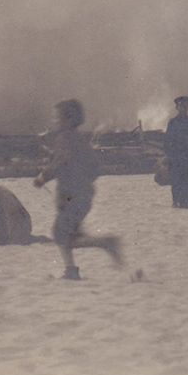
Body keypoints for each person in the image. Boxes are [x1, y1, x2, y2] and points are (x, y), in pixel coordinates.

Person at [34, 99, 122, 280]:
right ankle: (73, 268)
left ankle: (104, 244)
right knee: (69, 234)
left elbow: (60, 162)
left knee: (60, 232)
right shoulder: (80, 139)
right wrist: (84, 182)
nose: (54, 121)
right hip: (83, 195)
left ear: (68, 119)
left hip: (70, 196)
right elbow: (95, 167)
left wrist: (43, 177)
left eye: (57, 117)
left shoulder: (64, 139)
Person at [164, 96, 188, 208]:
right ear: (177, 107)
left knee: (187, 180)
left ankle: (185, 202)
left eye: (185, 106)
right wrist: (168, 156)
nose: (183, 109)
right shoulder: (172, 122)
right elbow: (167, 140)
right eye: (181, 106)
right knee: (176, 180)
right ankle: (175, 201)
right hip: (175, 156)